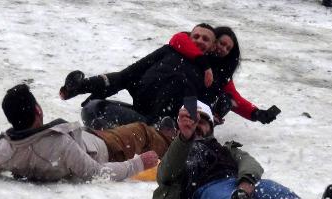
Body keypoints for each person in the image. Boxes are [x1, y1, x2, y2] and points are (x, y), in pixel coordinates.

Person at [152, 101, 332, 199]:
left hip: (239, 182)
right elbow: (164, 175)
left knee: (276, 192)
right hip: (205, 190)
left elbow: (249, 162)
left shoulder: (225, 148)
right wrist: (184, 138)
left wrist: (246, 182)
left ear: (211, 127)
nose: (197, 126)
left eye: (202, 122)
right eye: (193, 122)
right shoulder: (178, 149)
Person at [0, 84, 174, 182]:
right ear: (38, 110)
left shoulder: (5, 148)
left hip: (88, 138)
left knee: (104, 127)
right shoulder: (59, 146)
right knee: (141, 131)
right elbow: (97, 173)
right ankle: (174, 140)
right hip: (107, 148)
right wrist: (138, 164)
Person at [58, 24, 217, 128]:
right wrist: (85, 85)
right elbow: (127, 75)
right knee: (93, 107)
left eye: (205, 39)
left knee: (179, 85)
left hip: (171, 125)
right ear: (188, 38)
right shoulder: (168, 51)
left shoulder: (208, 74)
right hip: (140, 118)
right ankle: (111, 139)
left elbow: (200, 104)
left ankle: (157, 135)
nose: (199, 41)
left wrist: (205, 117)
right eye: (195, 37)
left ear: (212, 47)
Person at [168, 27, 280, 124]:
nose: (223, 49)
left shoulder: (221, 71)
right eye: (221, 43)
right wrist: (203, 63)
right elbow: (178, 38)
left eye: (228, 49)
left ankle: (200, 127)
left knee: (226, 100)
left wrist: (256, 113)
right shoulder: (198, 43)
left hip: (193, 107)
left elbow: (234, 98)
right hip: (171, 92)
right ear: (213, 39)